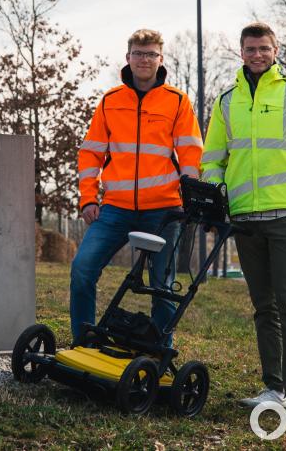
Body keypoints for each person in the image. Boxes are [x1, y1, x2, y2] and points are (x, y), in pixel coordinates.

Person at [201, 22, 286, 417]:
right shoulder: (226, 101)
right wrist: (217, 204)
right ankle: (273, 389)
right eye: (250, 49)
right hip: (245, 218)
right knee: (263, 307)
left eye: (263, 48)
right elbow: (212, 160)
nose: (257, 55)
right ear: (241, 52)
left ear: (275, 51)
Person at [71, 29, 203, 347]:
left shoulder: (177, 101)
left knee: (162, 287)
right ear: (128, 57)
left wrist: (190, 201)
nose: (144, 60)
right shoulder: (110, 101)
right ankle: (84, 344)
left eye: (151, 54)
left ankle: (158, 354)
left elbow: (190, 154)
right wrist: (88, 198)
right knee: (82, 269)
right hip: (114, 209)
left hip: (164, 210)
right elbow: (90, 153)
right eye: (139, 53)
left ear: (161, 59)